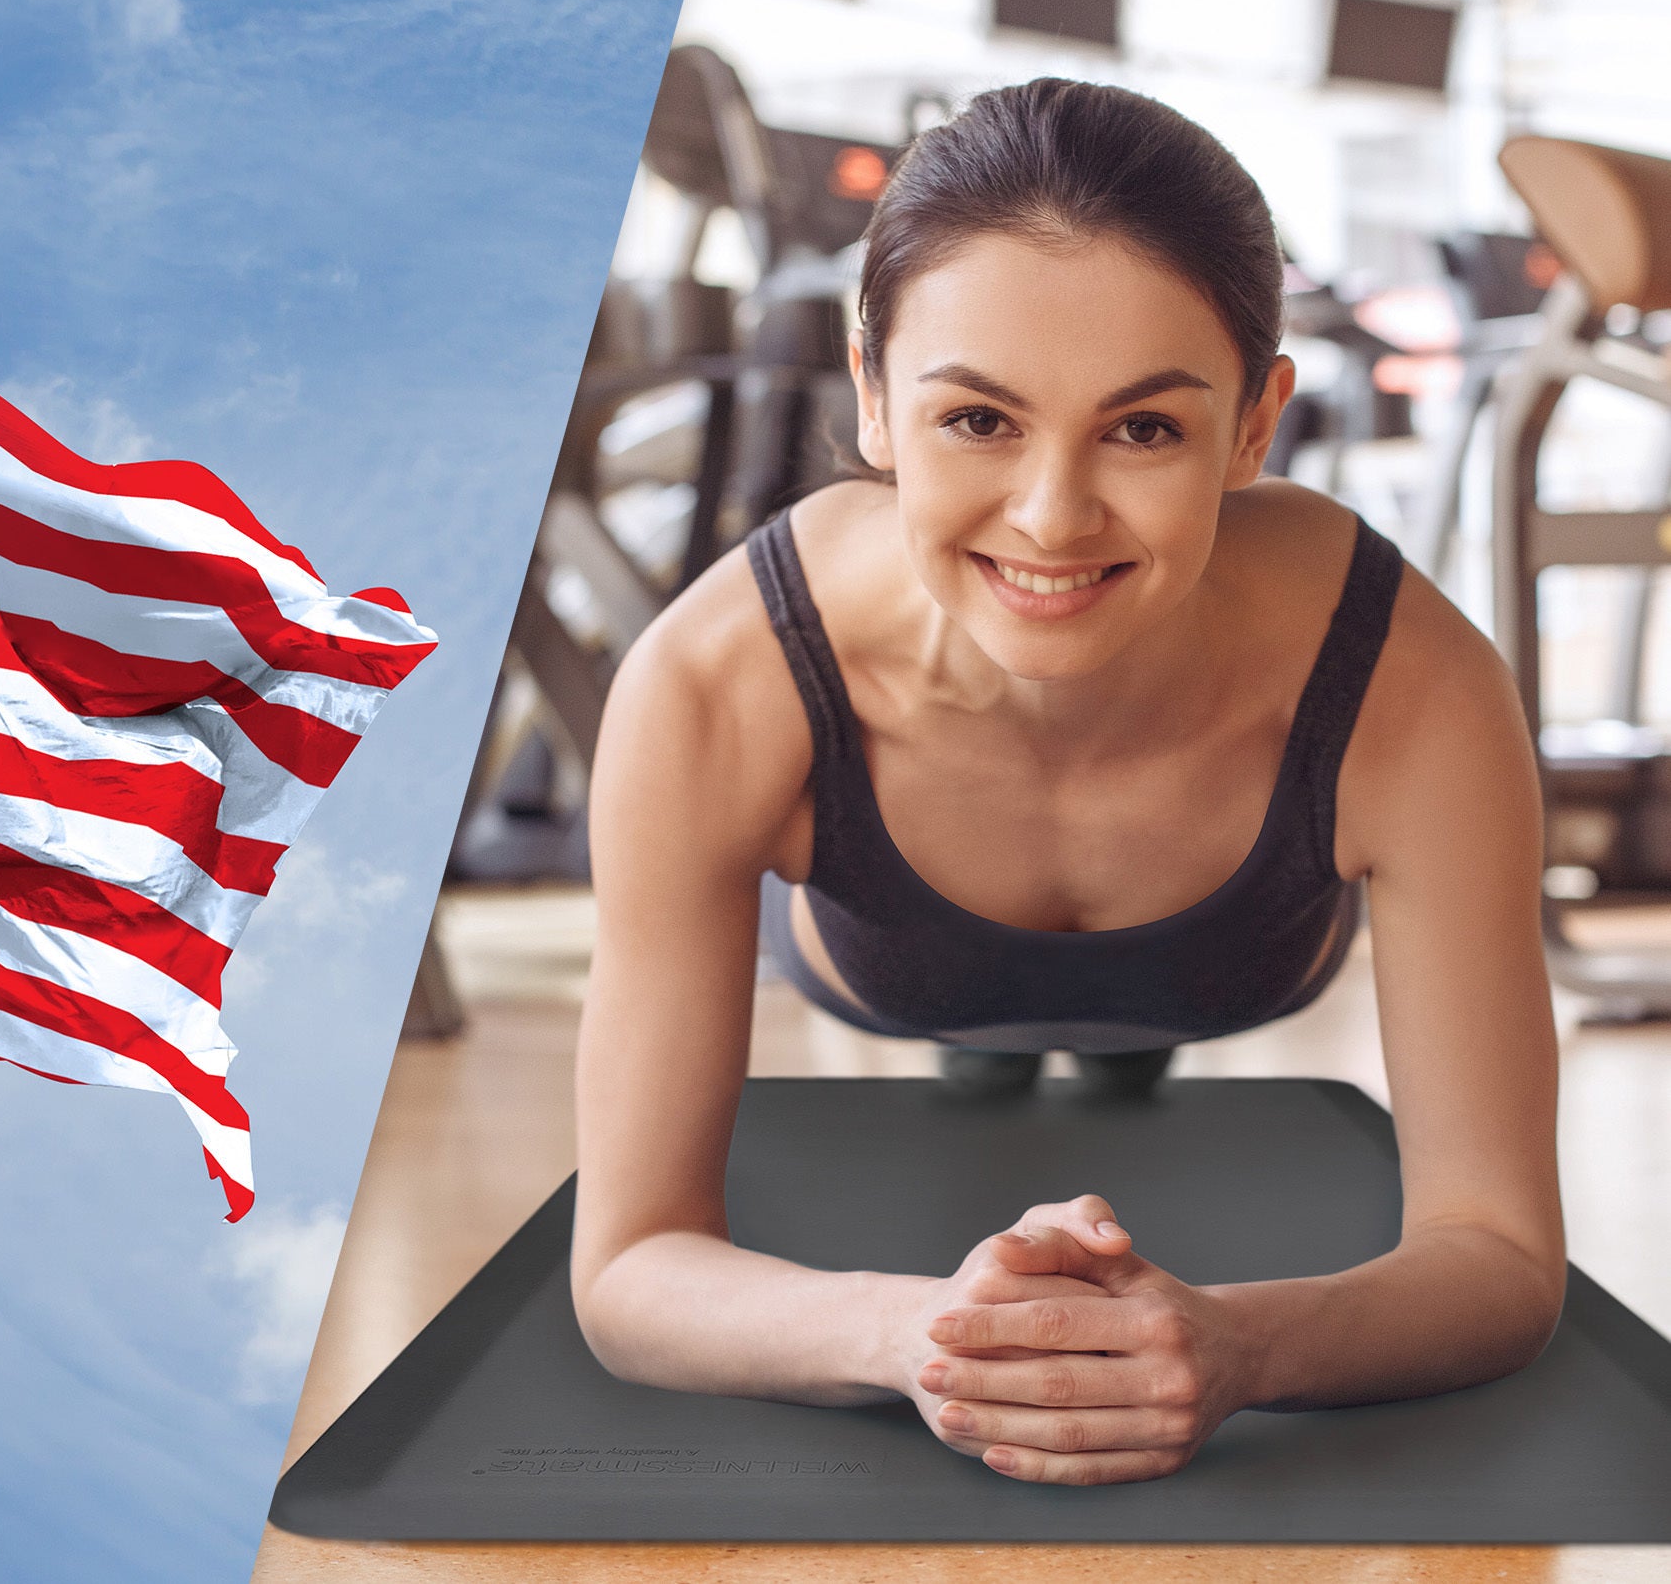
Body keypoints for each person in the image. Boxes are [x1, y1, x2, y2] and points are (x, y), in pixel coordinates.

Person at [568, 78, 1565, 1487]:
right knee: (983, 1054)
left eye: (1146, 430)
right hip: (893, 966)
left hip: (1234, 963)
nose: (1052, 516)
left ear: (1255, 427)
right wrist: (926, 1332)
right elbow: (625, 1272)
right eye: (977, 419)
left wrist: (1242, 1347)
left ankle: (1119, 1040)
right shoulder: (717, 682)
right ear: (871, 399)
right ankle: (1019, 1045)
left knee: (1120, 1050)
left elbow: (1507, 1257)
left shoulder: (1415, 687)